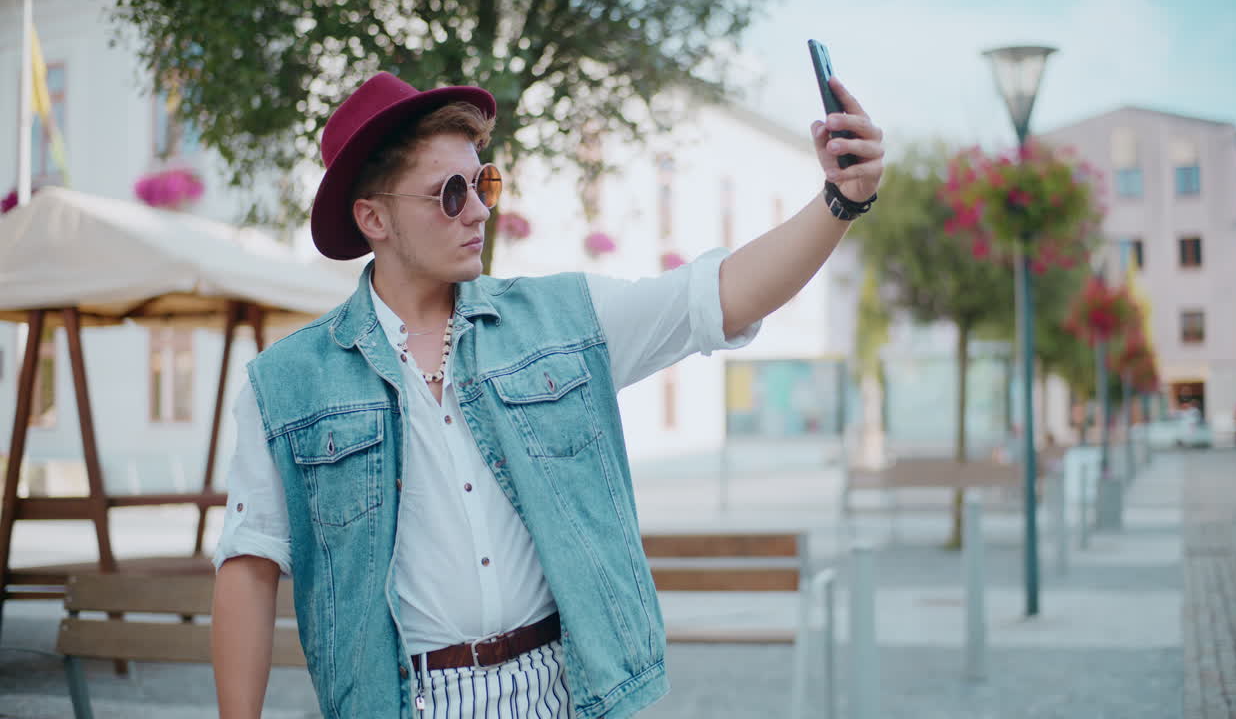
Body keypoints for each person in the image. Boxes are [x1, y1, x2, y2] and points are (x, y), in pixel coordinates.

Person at [209, 70, 884, 719]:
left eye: (484, 184)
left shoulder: (560, 321)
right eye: (450, 194)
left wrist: (839, 201)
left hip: (556, 690)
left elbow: (719, 296)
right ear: (374, 219)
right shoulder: (289, 382)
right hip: (404, 701)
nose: (478, 211)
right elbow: (249, 566)